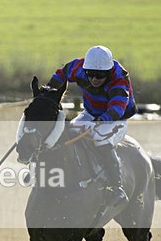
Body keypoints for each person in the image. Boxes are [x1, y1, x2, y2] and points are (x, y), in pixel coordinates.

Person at [46, 45, 137, 206]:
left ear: (109, 73)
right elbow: (62, 73)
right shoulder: (79, 68)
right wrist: (48, 92)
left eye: (100, 75)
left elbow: (117, 108)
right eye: (90, 74)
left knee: (100, 139)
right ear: (85, 69)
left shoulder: (119, 80)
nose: (94, 79)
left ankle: (117, 188)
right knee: (66, 134)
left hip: (116, 119)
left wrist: (103, 119)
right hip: (90, 113)